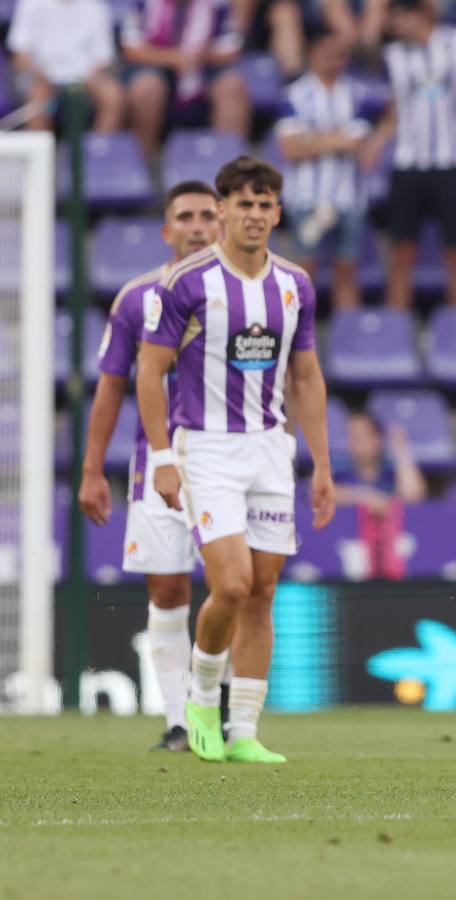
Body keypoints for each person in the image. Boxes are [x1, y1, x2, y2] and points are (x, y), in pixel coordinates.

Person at [137, 156, 336, 764]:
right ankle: (201, 699)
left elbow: (306, 375)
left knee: (263, 592)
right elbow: (150, 373)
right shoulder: (188, 282)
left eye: (264, 203)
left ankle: (243, 730)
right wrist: (163, 457)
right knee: (231, 584)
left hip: (271, 450)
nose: (254, 214)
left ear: (278, 212)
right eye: (242, 203)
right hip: (206, 448)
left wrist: (322, 465)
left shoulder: (294, 284)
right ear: (222, 210)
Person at [78, 181, 222, 752]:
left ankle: (218, 709)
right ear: (166, 231)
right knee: (166, 587)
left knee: (233, 585)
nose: (196, 225)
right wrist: (92, 469)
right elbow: (110, 387)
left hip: (229, 458)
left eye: (207, 215)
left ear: (224, 221)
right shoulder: (137, 298)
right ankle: (177, 718)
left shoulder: (248, 293)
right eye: (184, 216)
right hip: (156, 463)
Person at [367, 0, 456, 310]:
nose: (396, 28)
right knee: (401, 253)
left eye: (399, 20)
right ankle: (397, 331)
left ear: (417, 15)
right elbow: (394, 108)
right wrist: (377, 141)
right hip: (407, 164)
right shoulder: (394, 56)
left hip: (450, 164)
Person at [275, 31, 373, 311]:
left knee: (347, 270)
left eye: (340, 55)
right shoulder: (294, 94)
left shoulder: (357, 94)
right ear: (311, 54)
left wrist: (312, 138)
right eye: (327, 54)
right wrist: (338, 138)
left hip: (348, 198)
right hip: (307, 197)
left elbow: (358, 143)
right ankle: (301, 344)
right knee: (304, 272)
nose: (334, 61)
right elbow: (291, 149)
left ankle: (351, 344)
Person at [120, 0, 252, 159]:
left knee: (232, 85)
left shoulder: (218, 4)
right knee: (147, 86)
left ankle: (230, 171)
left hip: (205, 66)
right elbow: (131, 48)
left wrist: (199, 54)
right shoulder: (142, 3)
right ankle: (140, 164)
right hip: (156, 64)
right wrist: (176, 58)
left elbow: (231, 48)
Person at [5, 0, 124, 134]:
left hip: (86, 78)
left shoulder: (96, 8)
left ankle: (98, 151)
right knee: (38, 98)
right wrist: (40, 75)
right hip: (41, 76)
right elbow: (20, 53)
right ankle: (42, 153)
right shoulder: (31, 4)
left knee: (113, 96)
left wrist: (91, 78)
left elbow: (104, 57)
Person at [335, 411, 426, 580]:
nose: (354, 442)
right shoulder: (338, 467)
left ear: (377, 439)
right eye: (351, 436)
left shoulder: (390, 468)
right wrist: (366, 497)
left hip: (390, 554)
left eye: (361, 436)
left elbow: (414, 494)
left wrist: (401, 450)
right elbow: (320, 493)